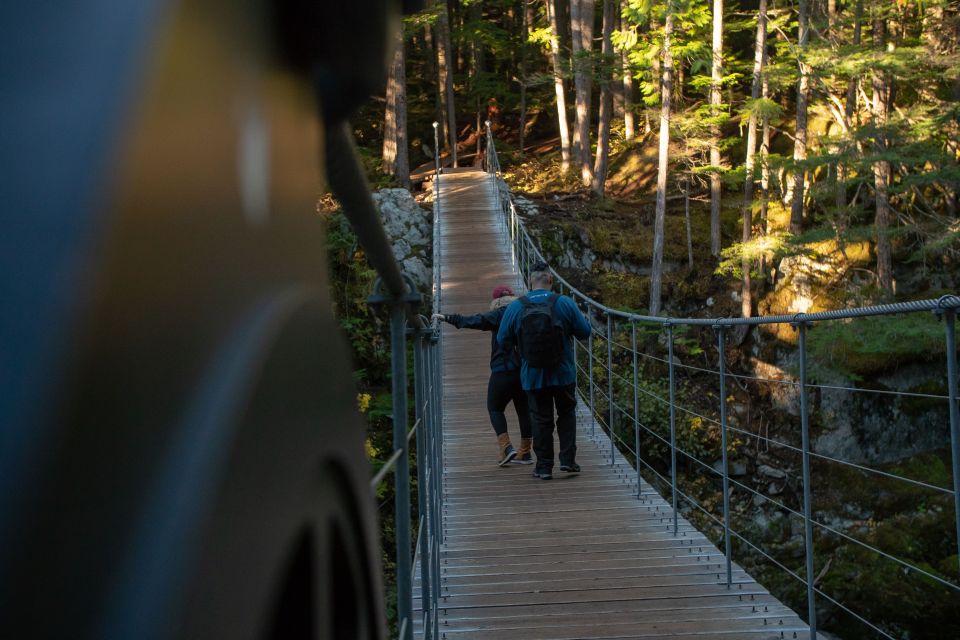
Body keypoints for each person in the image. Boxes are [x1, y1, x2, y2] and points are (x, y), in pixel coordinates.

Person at [497, 262, 591, 480]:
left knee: (540, 419)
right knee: (566, 414)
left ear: (530, 280)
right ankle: (567, 462)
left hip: (532, 374)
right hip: (563, 372)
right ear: (551, 279)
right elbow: (584, 332)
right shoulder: (564, 303)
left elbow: (503, 340)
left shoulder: (516, 307)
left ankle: (543, 467)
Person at [432, 285, 534, 466]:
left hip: (503, 370)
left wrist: (448, 318)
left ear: (495, 301)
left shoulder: (498, 314)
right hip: (523, 371)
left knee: (495, 407)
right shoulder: (523, 311)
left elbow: (476, 320)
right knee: (523, 410)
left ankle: (506, 448)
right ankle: (525, 452)